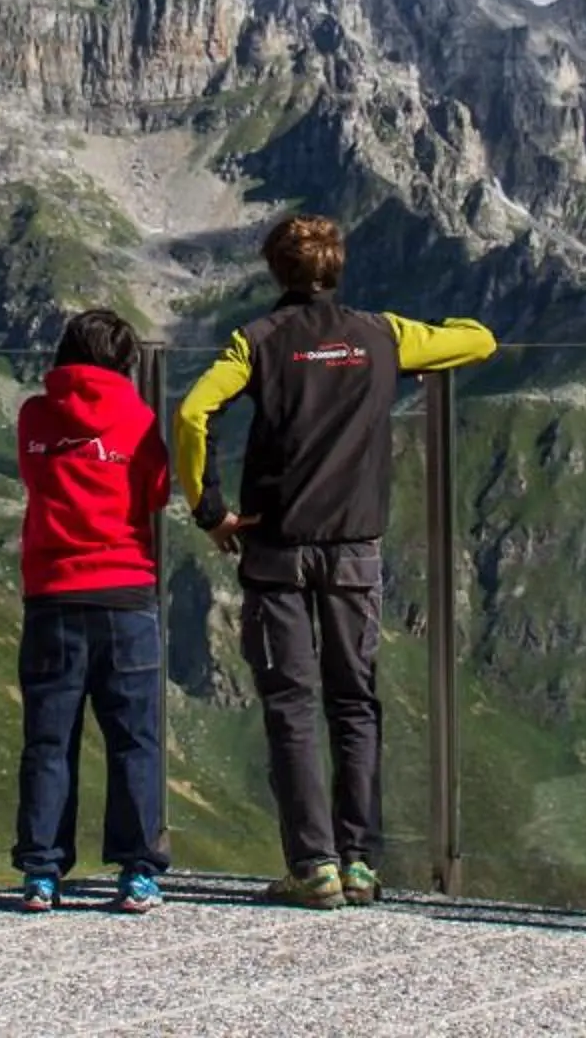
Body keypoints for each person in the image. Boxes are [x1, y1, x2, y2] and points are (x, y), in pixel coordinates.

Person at [173, 214, 496, 909]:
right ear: (338, 269)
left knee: (290, 705)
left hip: (275, 546)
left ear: (276, 271)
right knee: (355, 704)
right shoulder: (382, 334)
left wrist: (210, 510)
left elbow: (193, 413)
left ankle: (312, 867)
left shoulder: (254, 341)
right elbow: (478, 342)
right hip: (354, 546)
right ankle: (360, 863)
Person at [11, 306, 172, 914]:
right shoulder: (137, 417)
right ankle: (137, 873)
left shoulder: (34, 413)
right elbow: (156, 490)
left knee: (49, 739)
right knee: (135, 738)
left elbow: (34, 474)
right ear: (125, 362)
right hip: (126, 595)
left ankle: (42, 873)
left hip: (52, 595)